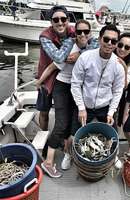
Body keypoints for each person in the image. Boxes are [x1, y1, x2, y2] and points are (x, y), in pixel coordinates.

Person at [38, 19, 99, 178]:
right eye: (79, 32)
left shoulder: (92, 50)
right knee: (61, 122)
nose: (83, 35)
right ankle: (49, 162)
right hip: (63, 86)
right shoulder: (70, 48)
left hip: (79, 89)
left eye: (86, 31)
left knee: (73, 122)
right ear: (75, 33)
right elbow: (52, 66)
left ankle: (67, 152)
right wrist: (40, 81)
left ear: (90, 33)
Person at [71, 24, 125, 168]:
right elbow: (75, 84)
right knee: (72, 136)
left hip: (104, 106)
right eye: (106, 39)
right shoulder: (85, 58)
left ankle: (114, 155)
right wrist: (81, 107)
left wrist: (111, 112)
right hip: (85, 106)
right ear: (100, 39)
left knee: (112, 134)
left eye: (114, 41)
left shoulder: (118, 66)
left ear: (116, 43)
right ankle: (68, 154)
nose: (109, 43)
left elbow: (118, 91)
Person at [114, 32, 130, 127]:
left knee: (114, 122)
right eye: (120, 45)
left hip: (117, 97)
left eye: (126, 47)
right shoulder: (109, 56)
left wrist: (125, 68)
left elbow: (124, 87)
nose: (122, 49)